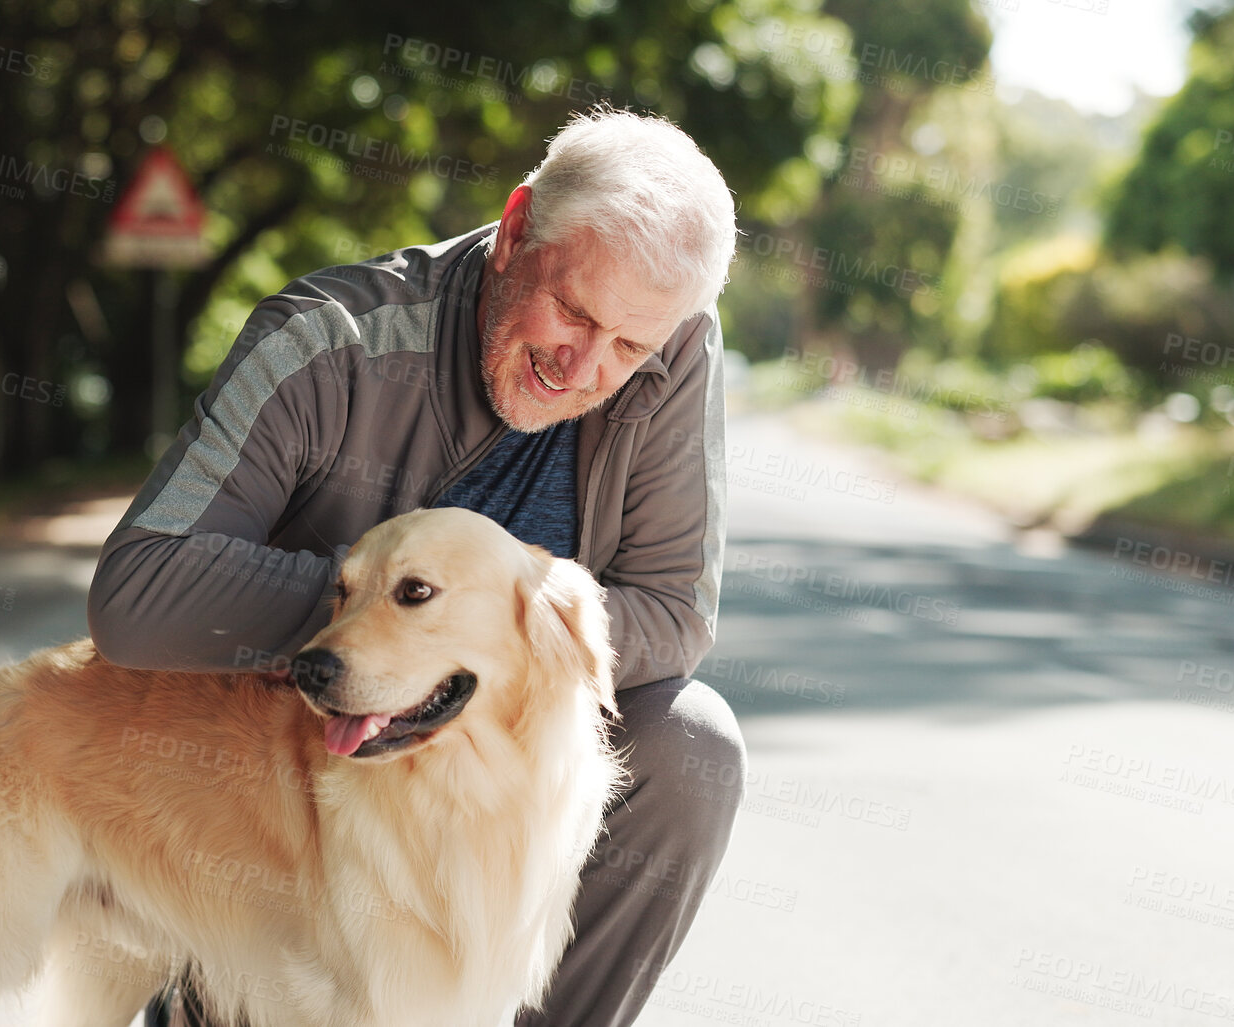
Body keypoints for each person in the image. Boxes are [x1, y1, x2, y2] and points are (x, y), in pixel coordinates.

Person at [89, 107, 747, 1027]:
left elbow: (674, 613)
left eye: (628, 347)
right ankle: (213, 1003)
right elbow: (138, 593)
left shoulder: (673, 343)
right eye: (572, 310)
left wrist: (495, 646)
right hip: (301, 766)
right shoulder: (328, 339)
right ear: (516, 230)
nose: (584, 365)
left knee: (691, 746)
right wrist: (389, 625)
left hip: (482, 749)